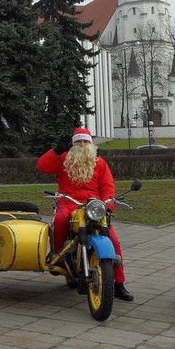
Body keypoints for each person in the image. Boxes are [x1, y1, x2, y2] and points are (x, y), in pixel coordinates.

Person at [37, 127, 133, 302]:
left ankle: (118, 283)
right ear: (73, 145)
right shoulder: (63, 160)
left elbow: (107, 187)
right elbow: (42, 167)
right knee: (59, 222)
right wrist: (56, 151)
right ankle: (57, 256)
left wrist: (108, 206)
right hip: (67, 202)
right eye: (78, 141)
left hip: (93, 206)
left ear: (91, 144)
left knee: (113, 240)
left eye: (85, 141)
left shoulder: (100, 163)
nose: (82, 144)